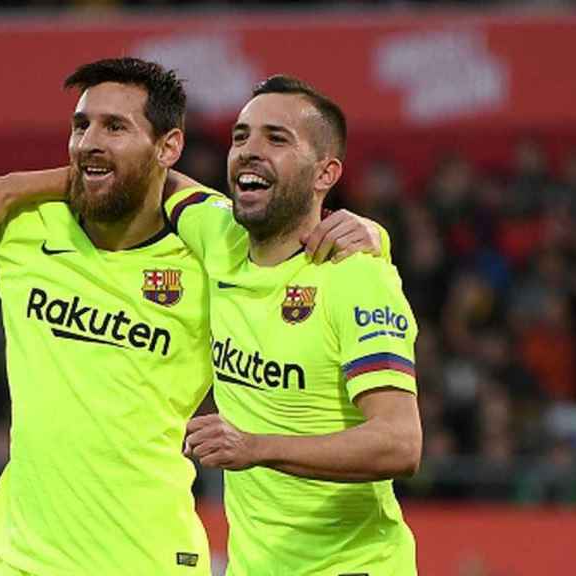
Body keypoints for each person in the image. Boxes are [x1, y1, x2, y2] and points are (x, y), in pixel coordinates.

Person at [0, 3, 382, 574]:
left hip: (151, 559)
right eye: (81, 125)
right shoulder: (21, 224)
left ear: (168, 146)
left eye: (115, 127)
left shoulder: (216, 244)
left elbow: (301, 233)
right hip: (26, 558)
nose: (88, 142)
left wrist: (371, 233)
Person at [175, 76, 421, 575]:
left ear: (324, 173)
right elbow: (139, 176)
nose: (249, 150)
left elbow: (400, 442)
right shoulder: (218, 235)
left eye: (276, 138)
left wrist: (255, 447)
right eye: (241, 136)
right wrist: (9, 188)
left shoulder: (355, 278)